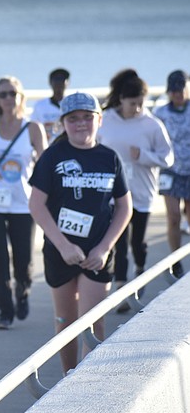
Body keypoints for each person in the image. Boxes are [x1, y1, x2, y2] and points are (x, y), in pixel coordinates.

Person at [29, 92, 132, 373]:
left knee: (93, 321)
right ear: (63, 123)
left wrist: (105, 247)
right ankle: (67, 375)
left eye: (88, 117)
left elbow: (125, 207)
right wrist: (63, 245)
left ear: (99, 120)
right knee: (65, 320)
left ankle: (85, 381)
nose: (81, 124)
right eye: (73, 119)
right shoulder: (53, 156)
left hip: (97, 251)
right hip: (61, 250)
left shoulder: (109, 158)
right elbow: (36, 205)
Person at [0, 76, 47, 330]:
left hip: (22, 203)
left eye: (12, 93)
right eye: (2, 94)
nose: (7, 99)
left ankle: (22, 292)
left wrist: (45, 193)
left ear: (21, 97)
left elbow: (45, 163)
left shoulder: (32, 127)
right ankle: (5, 312)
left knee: (23, 260)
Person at [98, 69, 174, 312]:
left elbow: (168, 158)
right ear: (121, 99)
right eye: (133, 104)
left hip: (142, 193)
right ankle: (121, 288)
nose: (137, 108)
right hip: (112, 195)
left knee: (137, 243)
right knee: (119, 241)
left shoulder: (152, 125)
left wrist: (144, 156)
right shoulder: (105, 119)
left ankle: (140, 270)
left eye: (141, 103)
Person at [154, 69, 190, 278]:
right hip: (169, 170)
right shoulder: (161, 114)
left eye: (181, 88)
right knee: (174, 216)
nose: (178, 93)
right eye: (174, 89)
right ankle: (175, 260)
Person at [30, 68, 70, 142]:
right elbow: (33, 127)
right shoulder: (40, 105)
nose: (59, 83)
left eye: (62, 79)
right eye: (56, 79)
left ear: (67, 83)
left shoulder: (71, 104)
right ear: (50, 82)